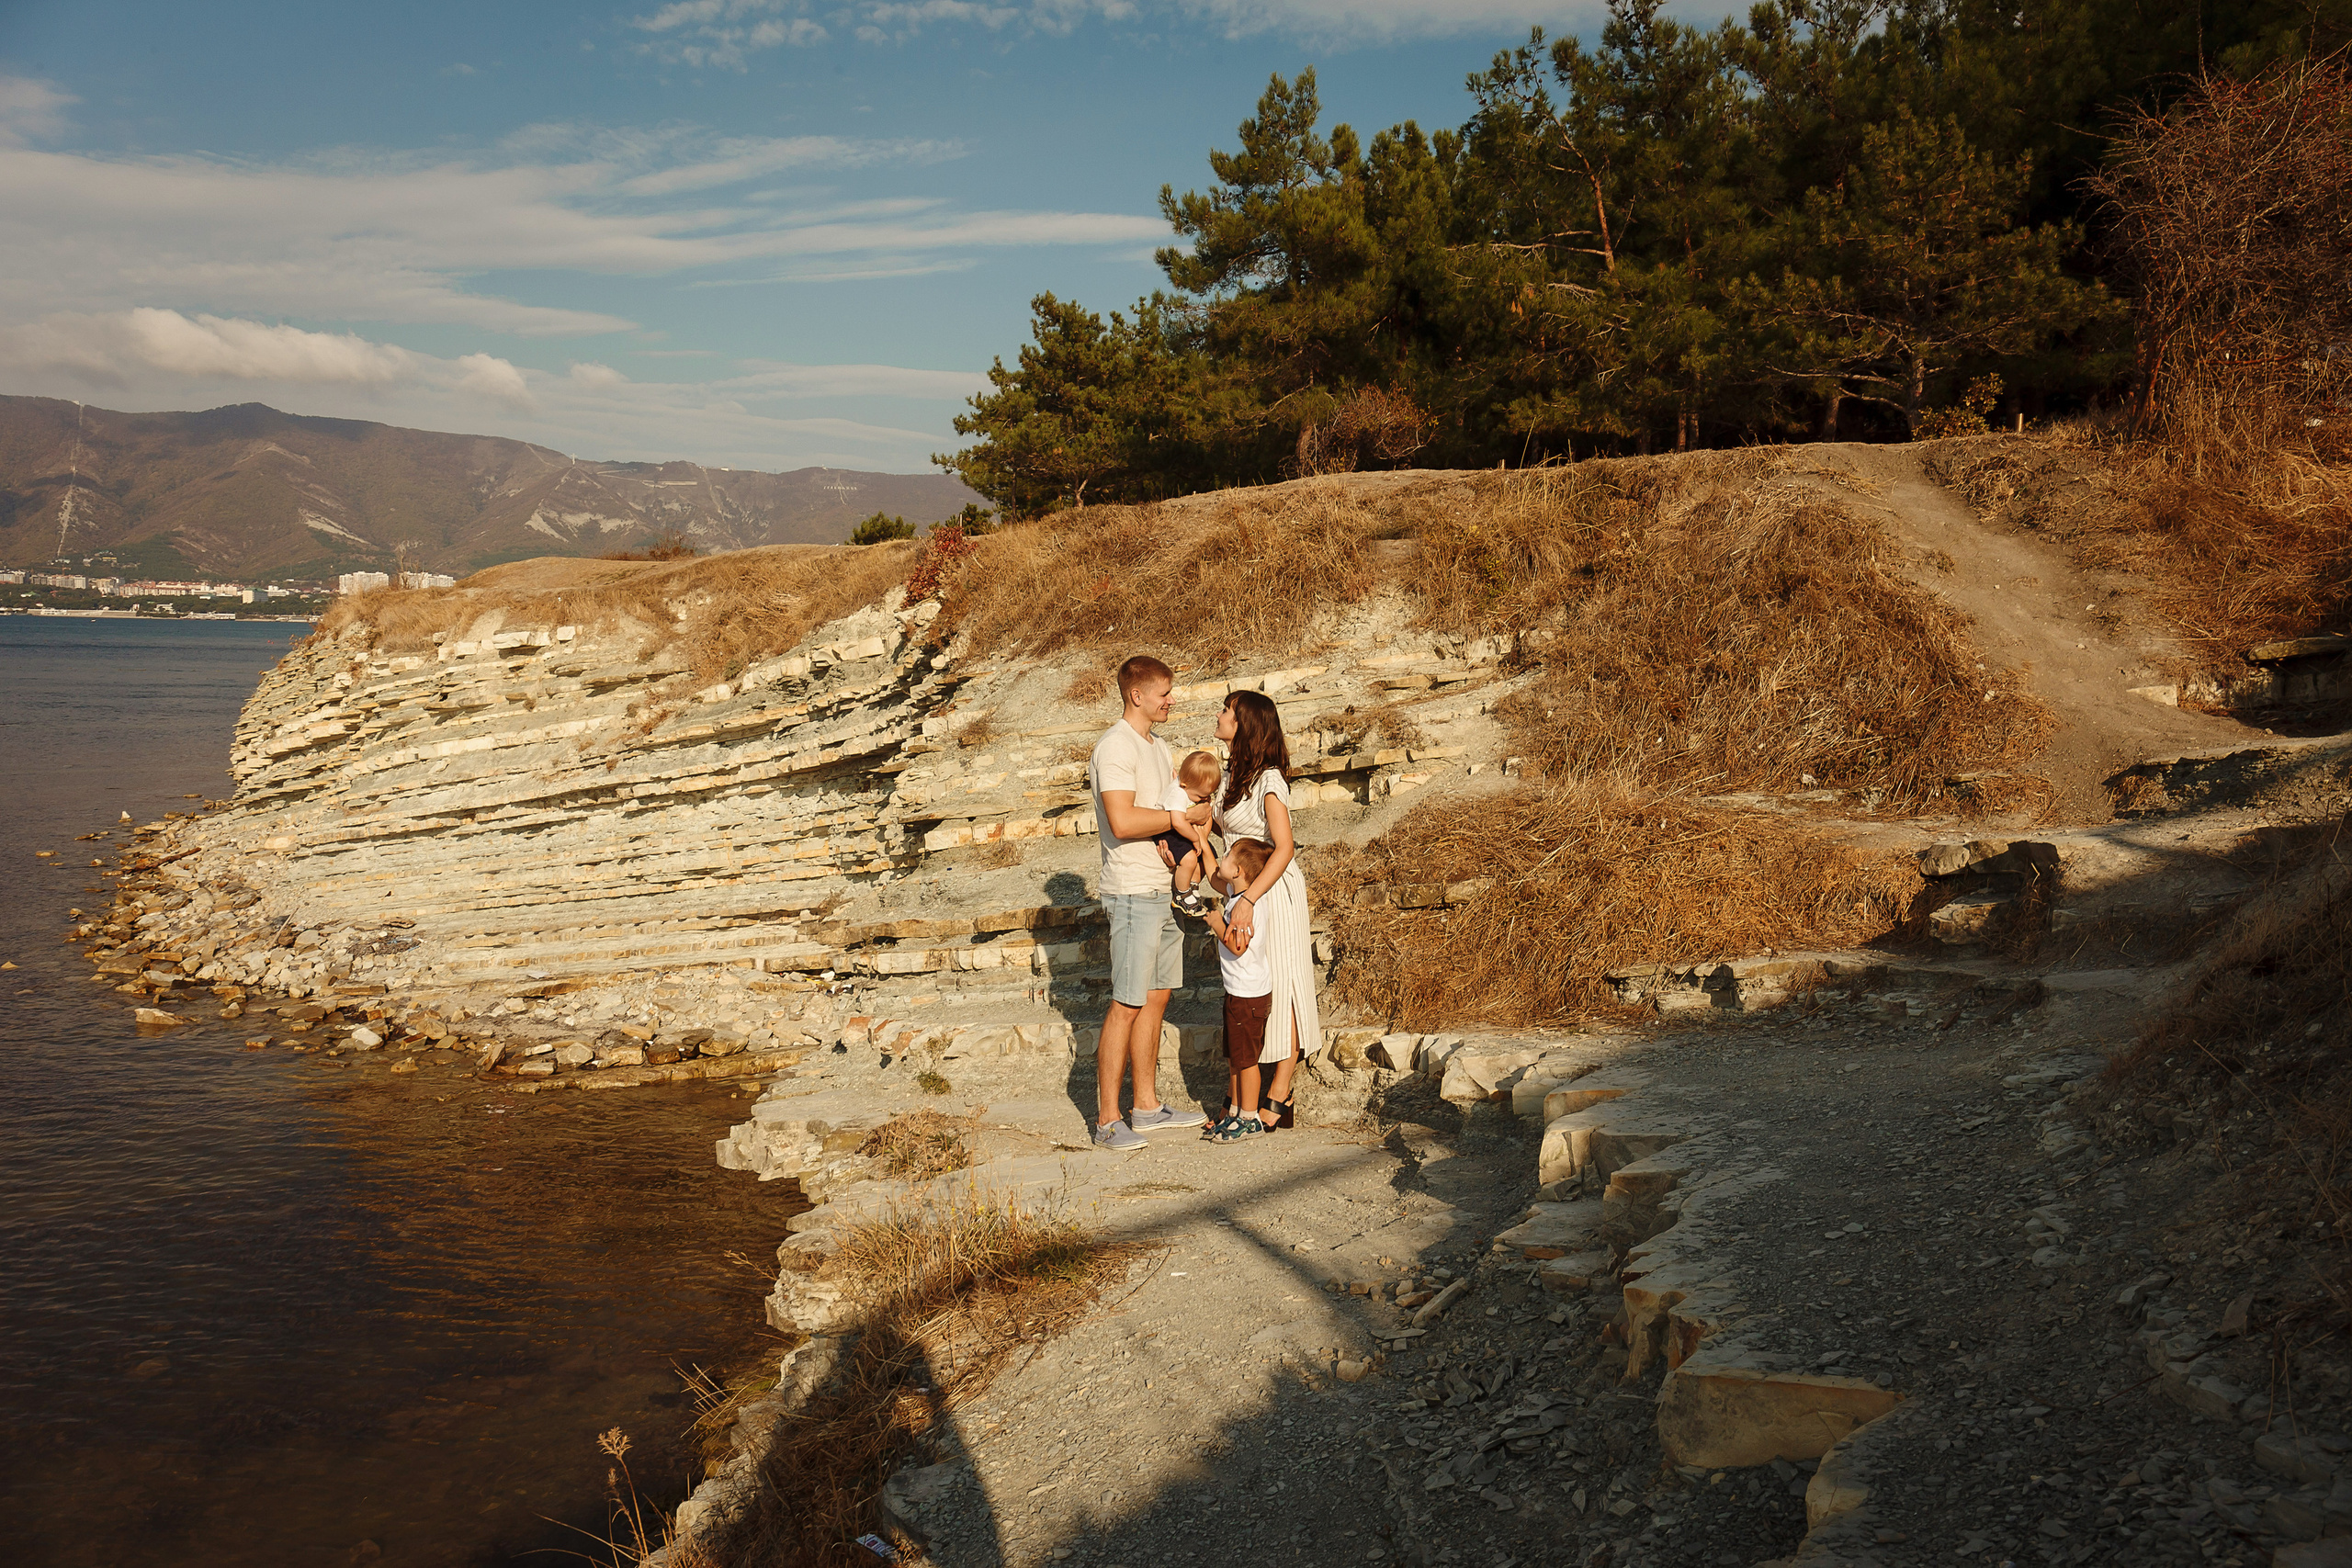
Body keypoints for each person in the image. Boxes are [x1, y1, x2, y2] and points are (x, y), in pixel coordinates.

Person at [1086, 655, 1208, 1151]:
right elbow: (1124, 822)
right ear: (1137, 695)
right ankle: (1107, 1120)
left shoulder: (1160, 748)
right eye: (1164, 692)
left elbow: (1167, 813)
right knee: (1126, 1003)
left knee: (1156, 999)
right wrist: (1176, 821)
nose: (1170, 699)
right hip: (1132, 890)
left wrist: (1182, 822)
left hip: (1164, 888)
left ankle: (1147, 1108)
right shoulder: (1114, 747)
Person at [1210, 689, 1322, 1131]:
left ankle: (1280, 1091)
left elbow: (1286, 847)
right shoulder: (1229, 774)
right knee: (1246, 989)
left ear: (1246, 724)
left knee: (1284, 982)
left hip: (1272, 890)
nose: (1218, 715)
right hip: (1239, 890)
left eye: (1226, 711)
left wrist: (1250, 899)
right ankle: (1241, 1095)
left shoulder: (1269, 779)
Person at [1203, 837, 1275, 1142]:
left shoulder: (1246, 910)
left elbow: (1238, 945)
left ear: (1240, 871)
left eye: (1228, 855)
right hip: (1238, 993)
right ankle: (1235, 1112)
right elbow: (1212, 874)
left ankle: (1250, 1117)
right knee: (1236, 1056)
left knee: (1246, 1060)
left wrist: (1217, 923)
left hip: (1249, 996)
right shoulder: (1237, 895)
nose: (1224, 857)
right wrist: (1202, 843)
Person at [1160, 750, 1221, 918]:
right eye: (1200, 796)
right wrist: (1195, 838)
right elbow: (1178, 821)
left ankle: (1192, 885)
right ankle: (1181, 894)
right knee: (1189, 859)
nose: (1203, 799)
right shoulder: (1178, 793)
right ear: (1185, 785)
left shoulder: (1187, 787)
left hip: (1180, 829)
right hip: (1168, 831)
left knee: (1206, 855)